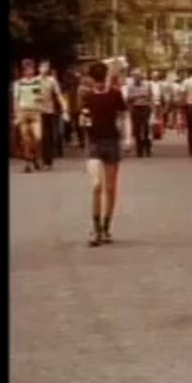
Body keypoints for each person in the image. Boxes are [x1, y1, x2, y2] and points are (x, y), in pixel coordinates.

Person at [80, 60, 132, 246]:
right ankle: (95, 229)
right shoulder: (87, 97)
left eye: (101, 79)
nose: (99, 83)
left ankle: (106, 227)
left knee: (110, 188)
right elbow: (84, 119)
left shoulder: (115, 95)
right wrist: (84, 123)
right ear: (92, 80)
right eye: (96, 80)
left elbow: (124, 116)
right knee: (96, 185)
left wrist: (127, 138)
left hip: (111, 143)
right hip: (94, 144)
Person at [12, 59, 45, 172]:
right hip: (23, 112)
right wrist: (16, 114)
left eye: (31, 68)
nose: (30, 70)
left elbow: (40, 96)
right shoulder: (18, 83)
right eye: (27, 68)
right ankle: (28, 162)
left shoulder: (37, 82)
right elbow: (16, 99)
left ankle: (35, 156)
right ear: (24, 71)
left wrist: (40, 100)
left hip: (35, 112)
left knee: (38, 137)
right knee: (26, 139)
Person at [124, 68, 155, 157]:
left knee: (146, 129)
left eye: (138, 76)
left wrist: (152, 108)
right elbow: (128, 99)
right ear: (133, 77)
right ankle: (139, 150)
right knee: (137, 130)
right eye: (135, 76)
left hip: (145, 108)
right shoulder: (130, 87)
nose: (137, 78)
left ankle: (147, 149)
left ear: (141, 76)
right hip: (135, 108)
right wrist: (137, 96)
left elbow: (151, 97)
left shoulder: (147, 85)